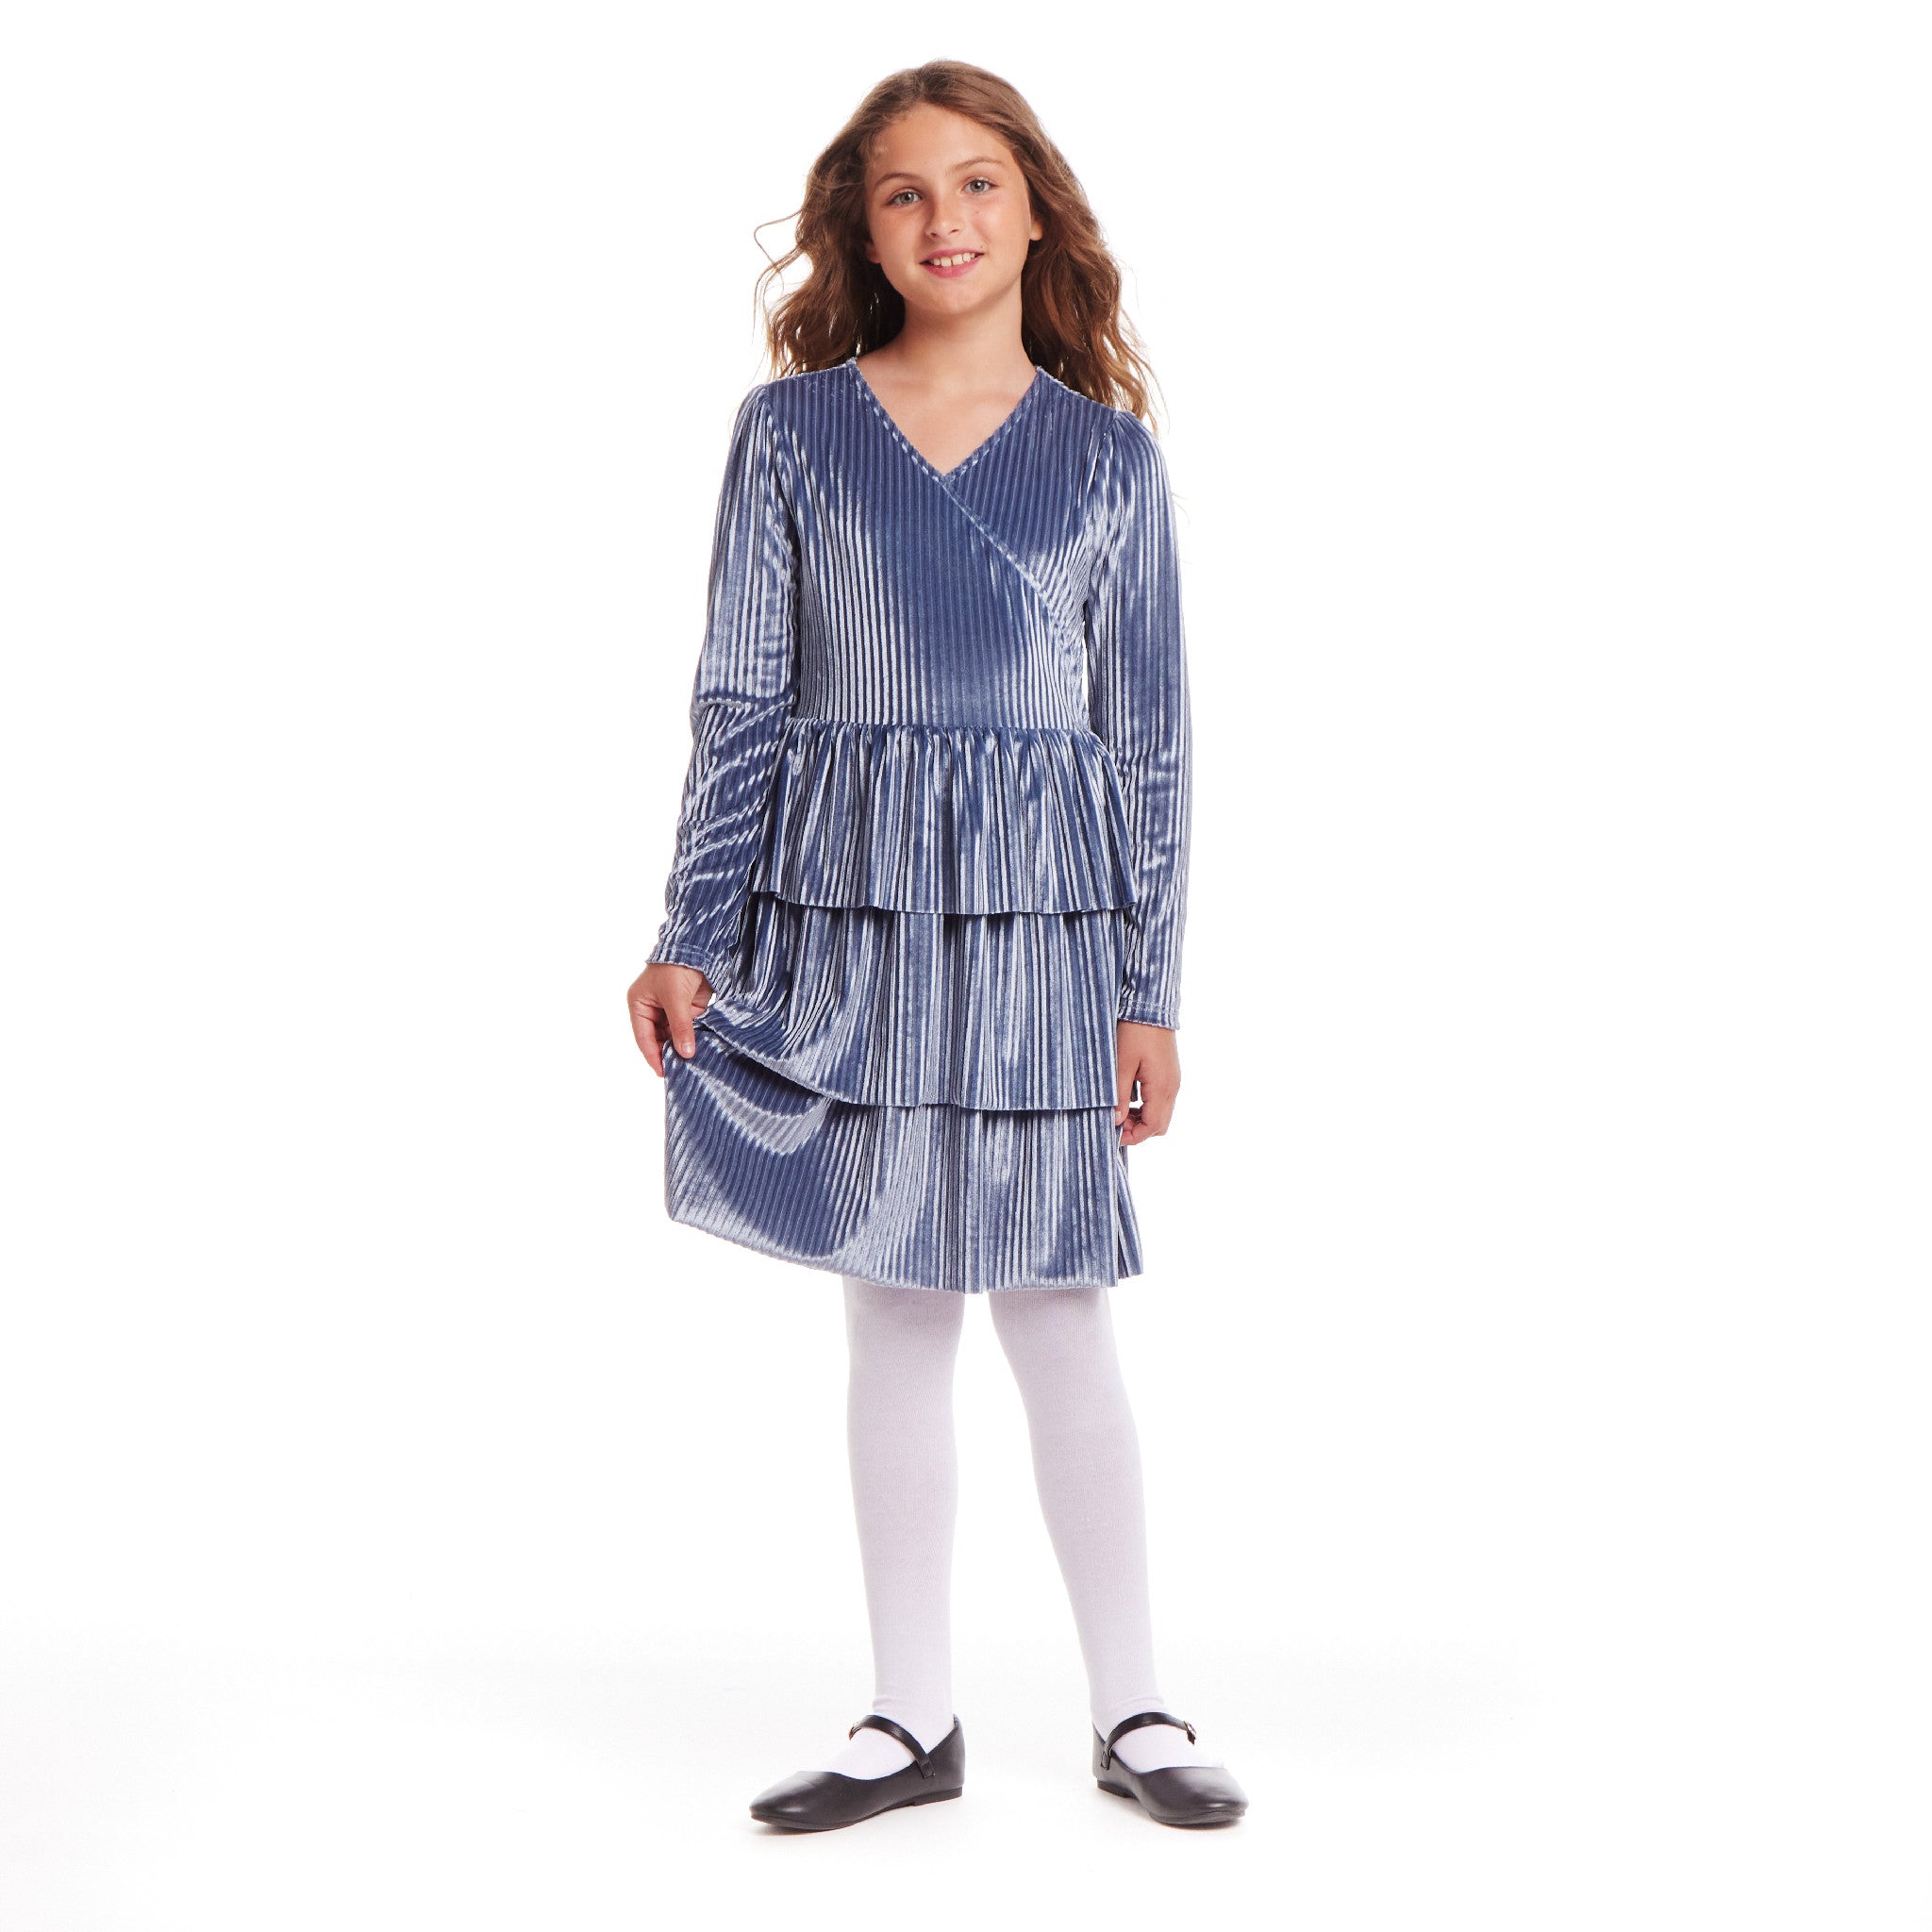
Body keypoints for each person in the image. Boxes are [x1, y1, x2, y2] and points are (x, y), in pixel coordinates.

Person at [625, 61, 1248, 1833]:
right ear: (864, 227)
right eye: (904, 191)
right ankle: (911, 1716)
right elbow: (743, 697)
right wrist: (690, 927)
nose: (945, 219)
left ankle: (1137, 1708)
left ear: (1037, 212)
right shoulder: (792, 434)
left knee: (1056, 1301)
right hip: (849, 908)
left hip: (1045, 923)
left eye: (978, 183)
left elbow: (1149, 740)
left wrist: (1150, 989)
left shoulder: (1109, 459)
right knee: (891, 1295)